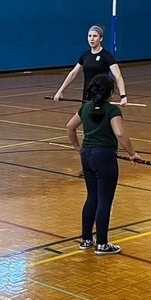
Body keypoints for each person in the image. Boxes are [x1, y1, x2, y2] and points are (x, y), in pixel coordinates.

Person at [66, 75, 141, 255]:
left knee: (92, 197)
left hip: (87, 156)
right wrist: (133, 153)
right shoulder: (112, 111)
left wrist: (78, 147)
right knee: (104, 200)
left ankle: (85, 240)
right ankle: (102, 244)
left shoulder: (85, 107)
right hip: (104, 157)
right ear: (110, 93)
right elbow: (120, 134)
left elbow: (70, 127)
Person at [52, 25, 129, 106]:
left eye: (95, 36)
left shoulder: (107, 56)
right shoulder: (85, 55)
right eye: (90, 36)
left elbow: (118, 76)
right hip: (87, 95)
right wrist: (60, 91)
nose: (91, 39)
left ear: (101, 38)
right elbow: (73, 73)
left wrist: (123, 96)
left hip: (101, 96)